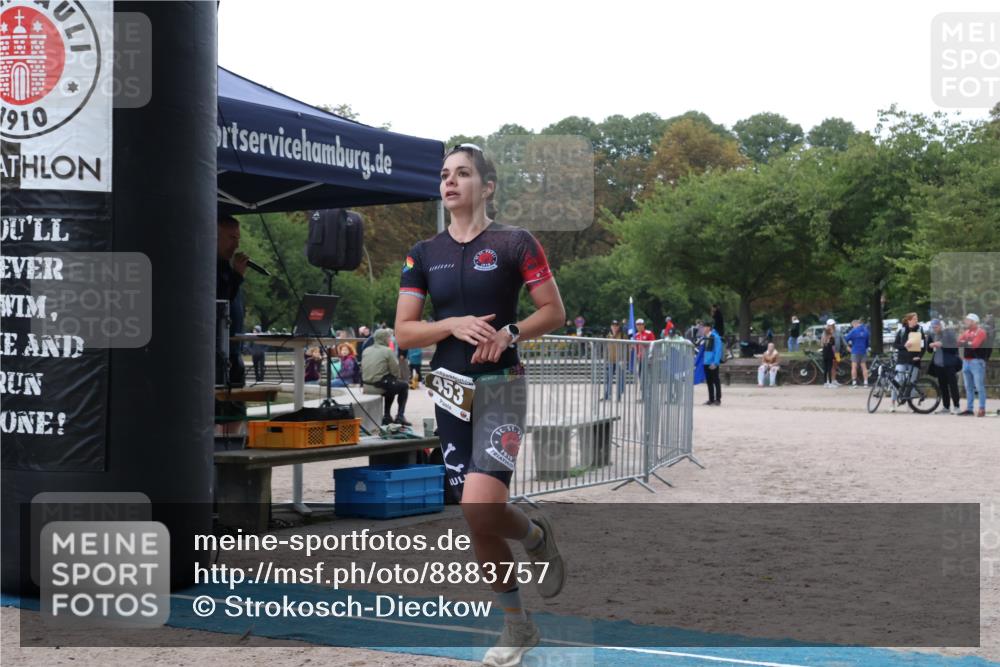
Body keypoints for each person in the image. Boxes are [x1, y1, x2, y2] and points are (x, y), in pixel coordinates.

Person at [394, 143, 567, 666]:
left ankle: (535, 535)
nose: (450, 182)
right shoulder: (423, 253)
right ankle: (518, 624)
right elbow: (403, 333)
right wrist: (448, 324)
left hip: (501, 385)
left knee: (479, 505)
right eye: (445, 174)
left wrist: (511, 332)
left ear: (486, 187)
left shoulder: (515, 242)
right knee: (477, 517)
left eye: (462, 174)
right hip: (449, 391)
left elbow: (553, 311)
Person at [216, 215, 248, 386]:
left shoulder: (228, 268)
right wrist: (237, 276)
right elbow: (220, 301)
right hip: (217, 353)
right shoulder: (208, 267)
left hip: (234, 351)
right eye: (232, 238)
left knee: (237, 407)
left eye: (238, 239)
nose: (236, 245)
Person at [361, 329, 411, 426]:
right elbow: (395, 371)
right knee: (403, 386)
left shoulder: (366, 350)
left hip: (366, 386)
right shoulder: (387, 351)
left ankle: (387, 416)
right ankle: (399, 416)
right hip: (379, 386)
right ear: (384, 339)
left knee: (390, 383)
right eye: (389, 338)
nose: (390, 340)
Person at [891, 312, 926, 412]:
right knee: (898, 381)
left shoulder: (920, 330)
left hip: (914, 361)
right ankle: (892, 403)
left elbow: (923, 346)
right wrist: (904, 346)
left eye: (917, 319)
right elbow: (895, 345)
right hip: (902, 360)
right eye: (915, 319)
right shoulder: (902, 330)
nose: (916, 320)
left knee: (911, 383)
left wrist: (919, 357)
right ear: (909, 320)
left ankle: (910, 405)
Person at [957, 313, 989, 417]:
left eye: (968, 320)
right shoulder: (967, 332)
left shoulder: (981, 332)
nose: (966, 322)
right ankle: (969, 408)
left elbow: (975, 345)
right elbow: (958, 342)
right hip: (966, 361)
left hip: (977, 361)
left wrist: (965, 342)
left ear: (974, 322)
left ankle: (981, 408)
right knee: (968, 387)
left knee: (979, 386)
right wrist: (968, 342)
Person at [927, 319, 961, 415]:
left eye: (936, 327)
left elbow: (954, 348)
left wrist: (942, 345)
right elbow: (929, 350)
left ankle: (956, 406)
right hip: (938, 365)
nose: (934, 329)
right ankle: (946, 407)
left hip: (949, 364)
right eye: (933, 327)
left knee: (953, 385)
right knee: (943, 387)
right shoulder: (932, 335)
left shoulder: (948, 334)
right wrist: (929, 345)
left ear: (940, 326)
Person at [602, 319, 627, 401]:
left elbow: (627, 347)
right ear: (611, 327)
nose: (614, 327)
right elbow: (606, 348)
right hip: (610, 360)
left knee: (620, 379)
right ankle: (607, 395)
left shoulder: (623, 335)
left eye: (616, 326)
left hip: (619, 360)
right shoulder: (608, 336)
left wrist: (625, 359)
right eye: (613, 325)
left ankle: (619, 396)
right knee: (608, 379)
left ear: (618, 327)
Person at [701, 322, 723, 405]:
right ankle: (711, 399)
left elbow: (718, 350)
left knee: (716, 380)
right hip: (706, 362)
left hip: (713, 362)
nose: (703, 329)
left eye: (705, 327)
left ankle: (718, 399)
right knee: (709, 381)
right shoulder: (705, 338)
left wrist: (716, 362)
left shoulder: (715, 337)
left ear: (709, 328)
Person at [844, 319, 870, 388]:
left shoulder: (853, 331)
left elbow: (845, 339)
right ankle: (866, 383)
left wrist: (848, 347)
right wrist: (865, 347)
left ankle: (854, 383)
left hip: (855, 351)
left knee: (854, 367)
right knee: (864, 367)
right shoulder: (866, 331)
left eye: (852, 326)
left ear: (854, 324)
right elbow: (867, 343)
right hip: (863, 351)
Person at [820, 323, 837, 388]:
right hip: (830, 355)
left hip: (824, 354)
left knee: (825, 369)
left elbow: (822, 345)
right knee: (829, 368)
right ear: (830, 331)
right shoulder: (832, 338)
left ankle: (825, 383)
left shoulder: (824, 338)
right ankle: (830, 383)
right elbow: (833, 347)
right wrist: (834, 355)